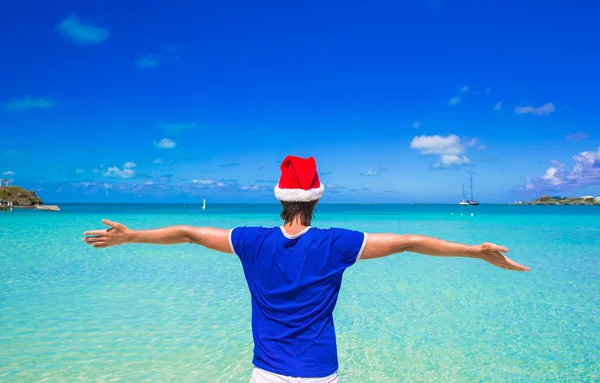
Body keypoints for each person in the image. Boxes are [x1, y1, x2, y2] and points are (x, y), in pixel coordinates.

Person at [83, 155, 530, 382]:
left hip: (267, 370)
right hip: (319, 370)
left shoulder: (251, 241)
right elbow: (412, 242)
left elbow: (188, 232)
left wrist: (132, 235)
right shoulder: (337, 244)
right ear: (318, 197)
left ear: (279, 197)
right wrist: (474, 250)